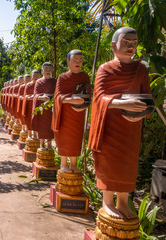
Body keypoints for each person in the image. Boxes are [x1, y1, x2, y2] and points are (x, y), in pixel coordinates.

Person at [89, 27, 150, 219]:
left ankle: (123, 203)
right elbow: (98, 99)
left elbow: (148, 97)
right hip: (109, 125)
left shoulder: (141, 69)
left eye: (134, 42)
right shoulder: (105, 69)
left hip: (132, 126)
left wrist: (141, 113)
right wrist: (123, 104)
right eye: (126, 42)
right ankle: (107, 202)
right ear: (114, 46)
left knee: (127, 163)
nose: (131, 46)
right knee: (109, 161)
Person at [51, 50, 90, 173]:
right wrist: (71, 99)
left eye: (80, 60)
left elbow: (88, 93)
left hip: (79, 113)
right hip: (65, 114)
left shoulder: (85, 77)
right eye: (75, 60)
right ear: (68, 62)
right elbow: (57, 96)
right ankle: (63, 164)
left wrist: (85, 103)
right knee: (65, 137)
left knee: (76, 138)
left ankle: (73, 164)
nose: (78, 62)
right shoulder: (63, 77)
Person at [32, 62, 56, 149]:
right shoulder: (39, 82)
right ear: (42, 71)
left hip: (51, 108)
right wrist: (42, 97)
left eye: (50, 70)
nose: (48, 71)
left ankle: (49, 145)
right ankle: (41, 145)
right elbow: (35, 95)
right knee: (42, 128)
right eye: (46, 70)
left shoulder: (54, 81)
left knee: (50, 128)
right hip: (42, 108)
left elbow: (57, 93)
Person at [22, 70, 40, 138]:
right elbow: (26, 95)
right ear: (32, 77)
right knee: (29, 120)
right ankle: (29, 134)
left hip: (38, 105)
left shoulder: (40, 84)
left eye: (37, 76)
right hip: (29, 105)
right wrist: (31, 96)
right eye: (34, 76)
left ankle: (35, 134)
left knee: (36, 120)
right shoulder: (29, 85)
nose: (36, 77)